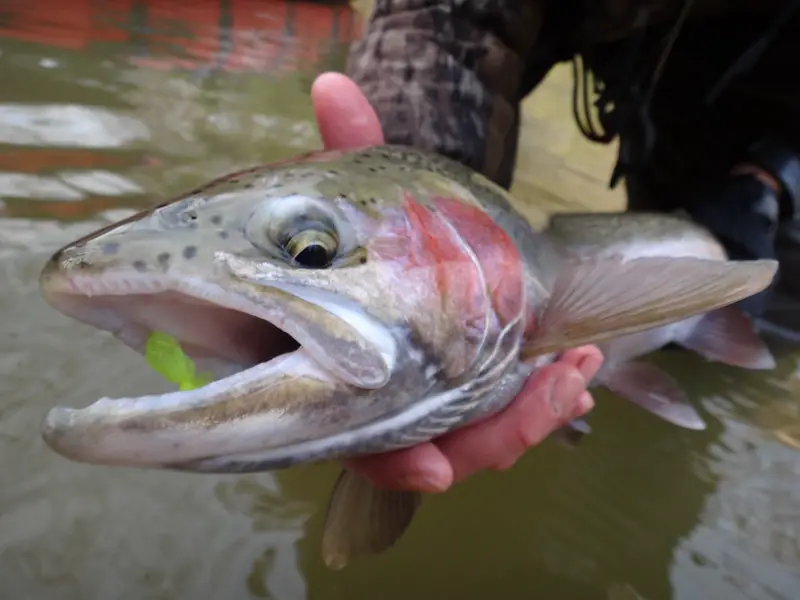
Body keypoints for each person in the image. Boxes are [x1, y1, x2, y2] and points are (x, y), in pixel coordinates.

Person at [310, 0, 800, 494]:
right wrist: (418, 220)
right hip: (651, 68)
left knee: (767, 314)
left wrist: (774, 178)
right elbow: (452, 24)